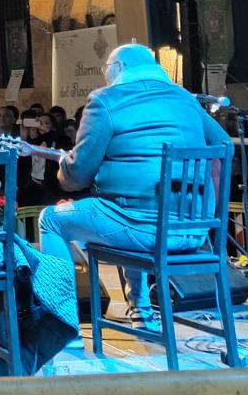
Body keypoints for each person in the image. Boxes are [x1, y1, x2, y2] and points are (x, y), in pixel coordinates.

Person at [36, 43, 231, 333]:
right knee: (127, 208)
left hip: (141, 230)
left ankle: (62, 323)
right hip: (193, 230)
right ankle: (139, 307)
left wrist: (67, 168)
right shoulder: (184, 99)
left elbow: (78, 175)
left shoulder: (105, 100)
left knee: (52, 219)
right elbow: (223, 144)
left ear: (117, 70)